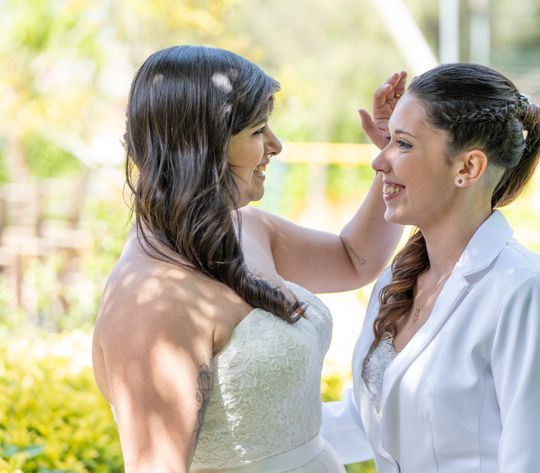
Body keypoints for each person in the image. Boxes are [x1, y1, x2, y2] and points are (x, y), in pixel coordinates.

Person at [91, 45, 405, 472]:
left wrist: (392, 156)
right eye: (258, 131)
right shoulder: (152, 301)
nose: (276, 145)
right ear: (201, 146)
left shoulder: (245, 228)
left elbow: (355, 259)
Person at [321, 63, 540, 473]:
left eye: (403, 144)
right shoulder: (398, 280)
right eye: (388, 141)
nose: (378, 161)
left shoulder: (528, 292)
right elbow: (372, 417)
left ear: (468, 168)